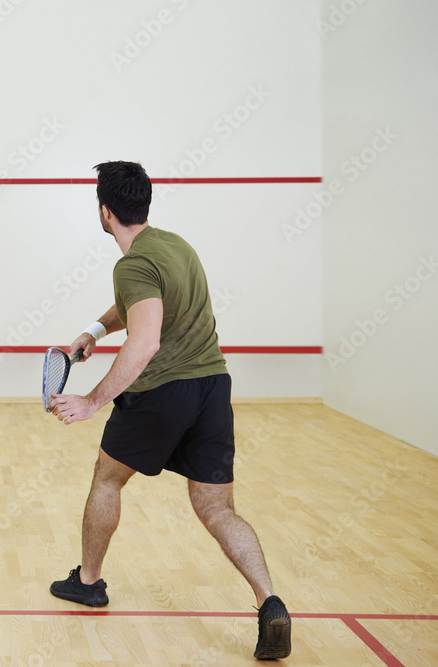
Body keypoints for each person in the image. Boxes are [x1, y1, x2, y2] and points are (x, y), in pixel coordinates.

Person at [47, 161, 291, 660]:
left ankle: (89, 582)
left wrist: (93, 401)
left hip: (162, 392)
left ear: (105, 210)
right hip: (213, 388)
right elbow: (142, 303)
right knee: (218, 508)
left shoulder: (132, 264)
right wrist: (95, 330)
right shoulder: (175, 246)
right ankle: (270, 602)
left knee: (107, 478)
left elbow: (145, 342)